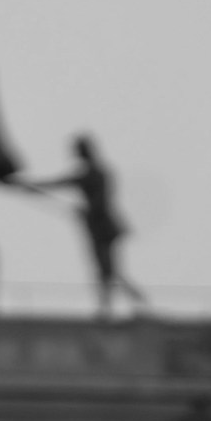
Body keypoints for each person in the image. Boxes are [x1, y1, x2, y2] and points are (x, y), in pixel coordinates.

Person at [33, 134, 147, 315]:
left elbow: (100, 201)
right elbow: (59, 183)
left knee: (107, 269)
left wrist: (86, 211)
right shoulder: (91, 173)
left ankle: (116, 304)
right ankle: (121, 302)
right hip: (97, 227)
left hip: (103, 227)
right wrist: (32, 185)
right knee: (106, 269)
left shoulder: (97, 174)